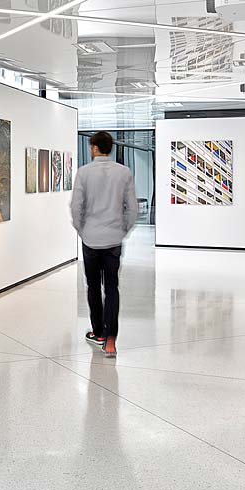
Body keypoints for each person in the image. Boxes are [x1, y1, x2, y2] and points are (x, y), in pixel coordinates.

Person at [70, 131, 137, 358]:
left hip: (91, 240)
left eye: (91, 147)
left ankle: (97, 331)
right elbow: (132, 208)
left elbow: (76, 207)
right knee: (111, 288)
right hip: (113, 241)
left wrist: (82, 231)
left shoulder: (84, 173)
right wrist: (122, 231)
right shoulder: (124, 172)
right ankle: (110, 339)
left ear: (95, 147)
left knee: (92, 287)